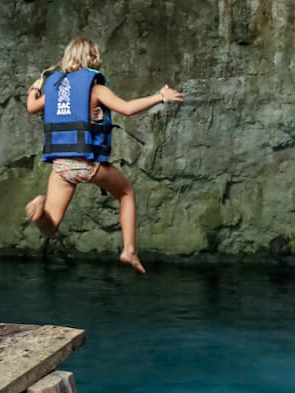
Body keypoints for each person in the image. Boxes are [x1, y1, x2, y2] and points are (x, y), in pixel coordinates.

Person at [25, 37, 183, 275]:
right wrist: (161, 97)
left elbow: (31, 106)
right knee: (126, 193)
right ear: (93, 58)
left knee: (49, 226)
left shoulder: (57, 88)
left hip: (61, 166)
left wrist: (36, 87)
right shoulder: (95, 88)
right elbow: (128, 109)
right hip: (86, 164)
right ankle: (129, 250)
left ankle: (39, 211)